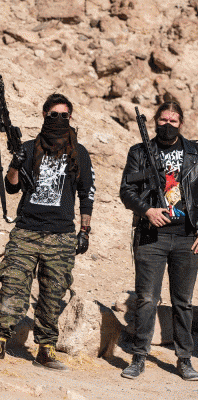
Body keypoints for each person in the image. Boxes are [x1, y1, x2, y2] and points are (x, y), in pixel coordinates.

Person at [119, 101, 198, 381]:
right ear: (155, 121)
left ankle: (184, 359)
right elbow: (126, 190)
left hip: (188, 236)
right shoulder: (139, 152)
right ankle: (139, 357)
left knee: (183, 301)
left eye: (173, 121)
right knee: (146, 299)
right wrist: (147, 211)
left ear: (181, 123)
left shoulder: (197, 152)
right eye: (163, 120)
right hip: (151, 235)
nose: (167, 125)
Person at [0, 94, 95, 370]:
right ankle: (1, 338)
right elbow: (11, 187)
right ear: (44, 115)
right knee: (12, 288)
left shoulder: (79, 153)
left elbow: (86, 193)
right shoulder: (29, 148)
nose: (59, 120)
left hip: (61, 236)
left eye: (65, 115)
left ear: (71, 118)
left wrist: (85, 230)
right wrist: (16, 164)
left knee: (52, 296)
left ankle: (45, 349)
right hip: (26, 232)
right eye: (54, 115)